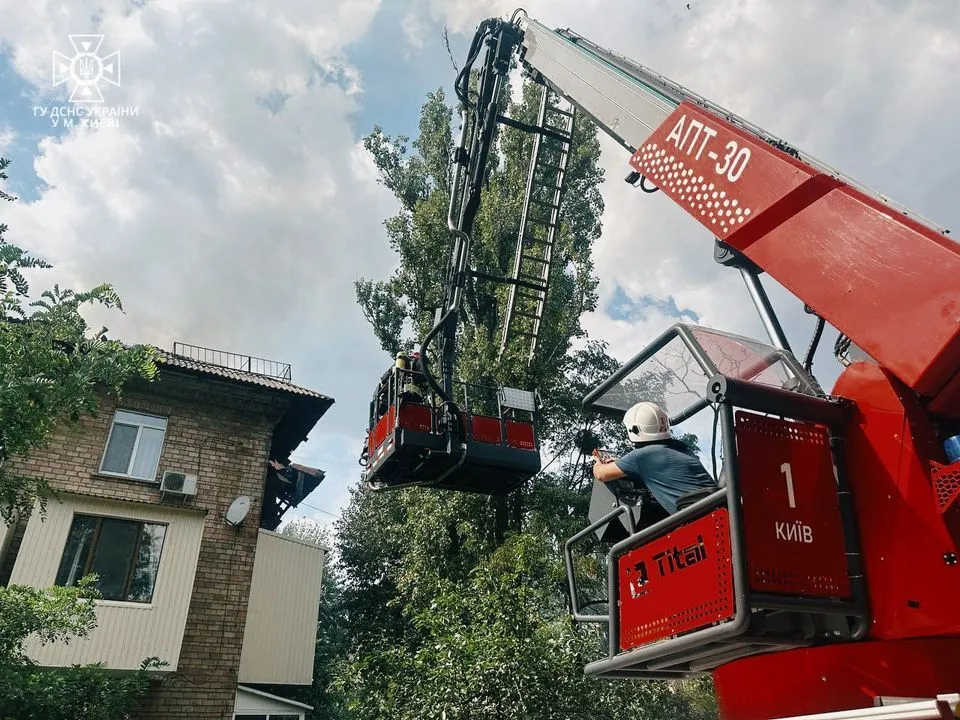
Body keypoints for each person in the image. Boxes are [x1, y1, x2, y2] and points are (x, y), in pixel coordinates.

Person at [592, 401, 716, 515]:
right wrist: (621, 464)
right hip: (719, 508)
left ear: (634, 430)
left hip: (698, 520)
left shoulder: (642, 456)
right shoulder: (682, 448)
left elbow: (601, 474)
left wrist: (598, 463)